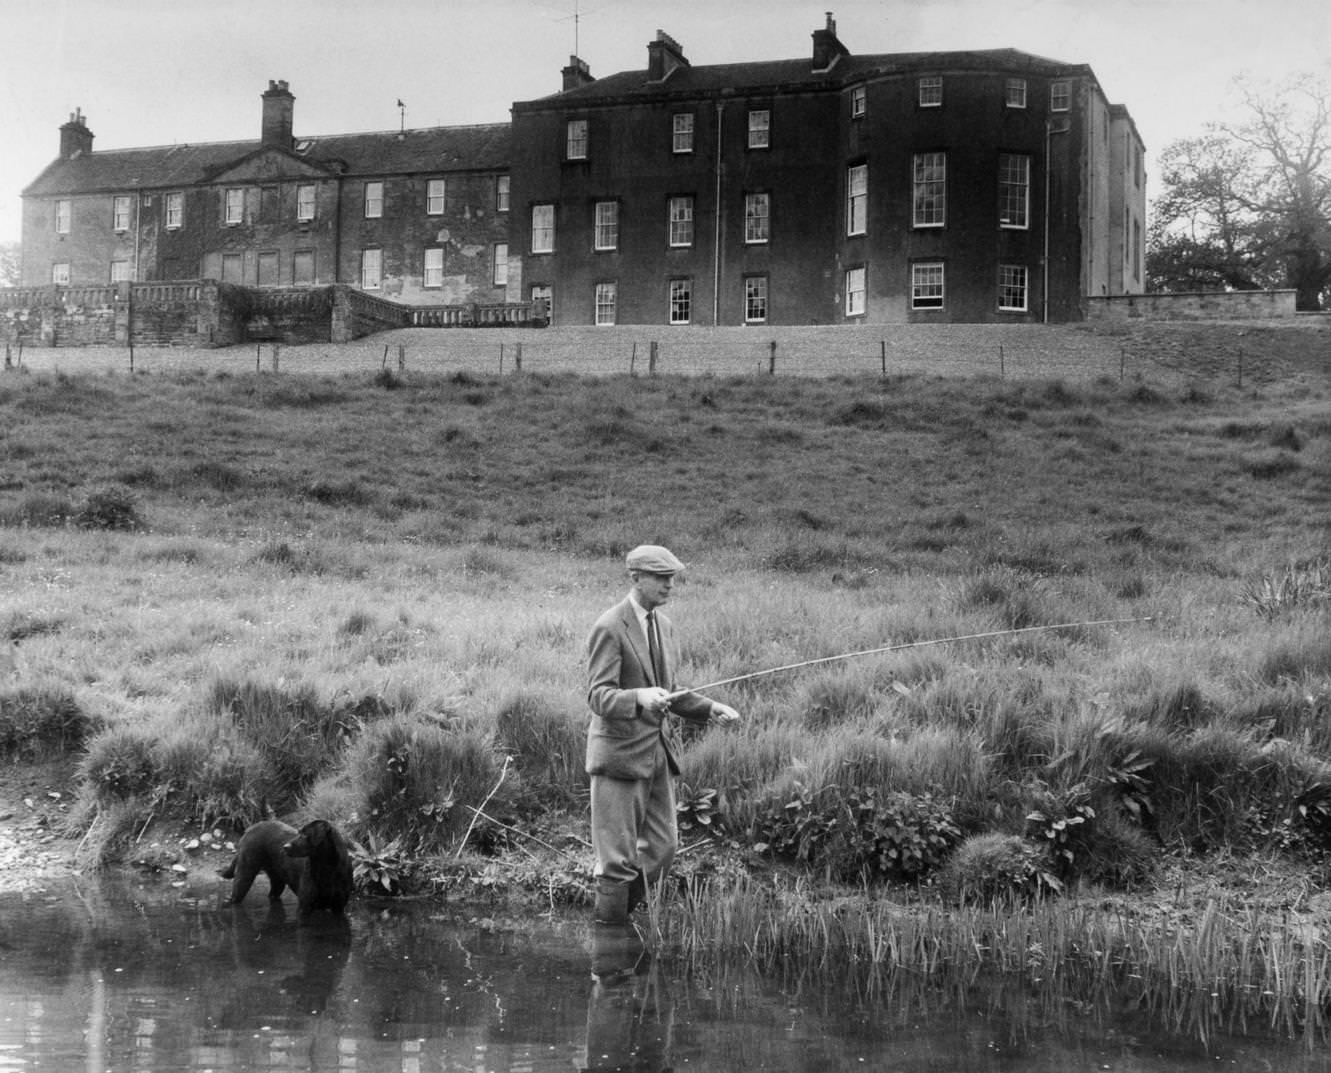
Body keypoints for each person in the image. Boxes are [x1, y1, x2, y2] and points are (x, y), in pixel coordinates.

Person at [585, 544, 739, 926]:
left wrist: (708, 709)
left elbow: (666, 690)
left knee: (663, 848)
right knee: (617, 861)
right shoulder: (609, 626)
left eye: (672, 578)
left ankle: (616, 921)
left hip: (657, 755)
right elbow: (598, 696)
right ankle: (609, 944)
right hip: (619, 758)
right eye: (660, 577)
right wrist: (639, 697)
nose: (670, 585)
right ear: (636, 578)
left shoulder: (665, 627)